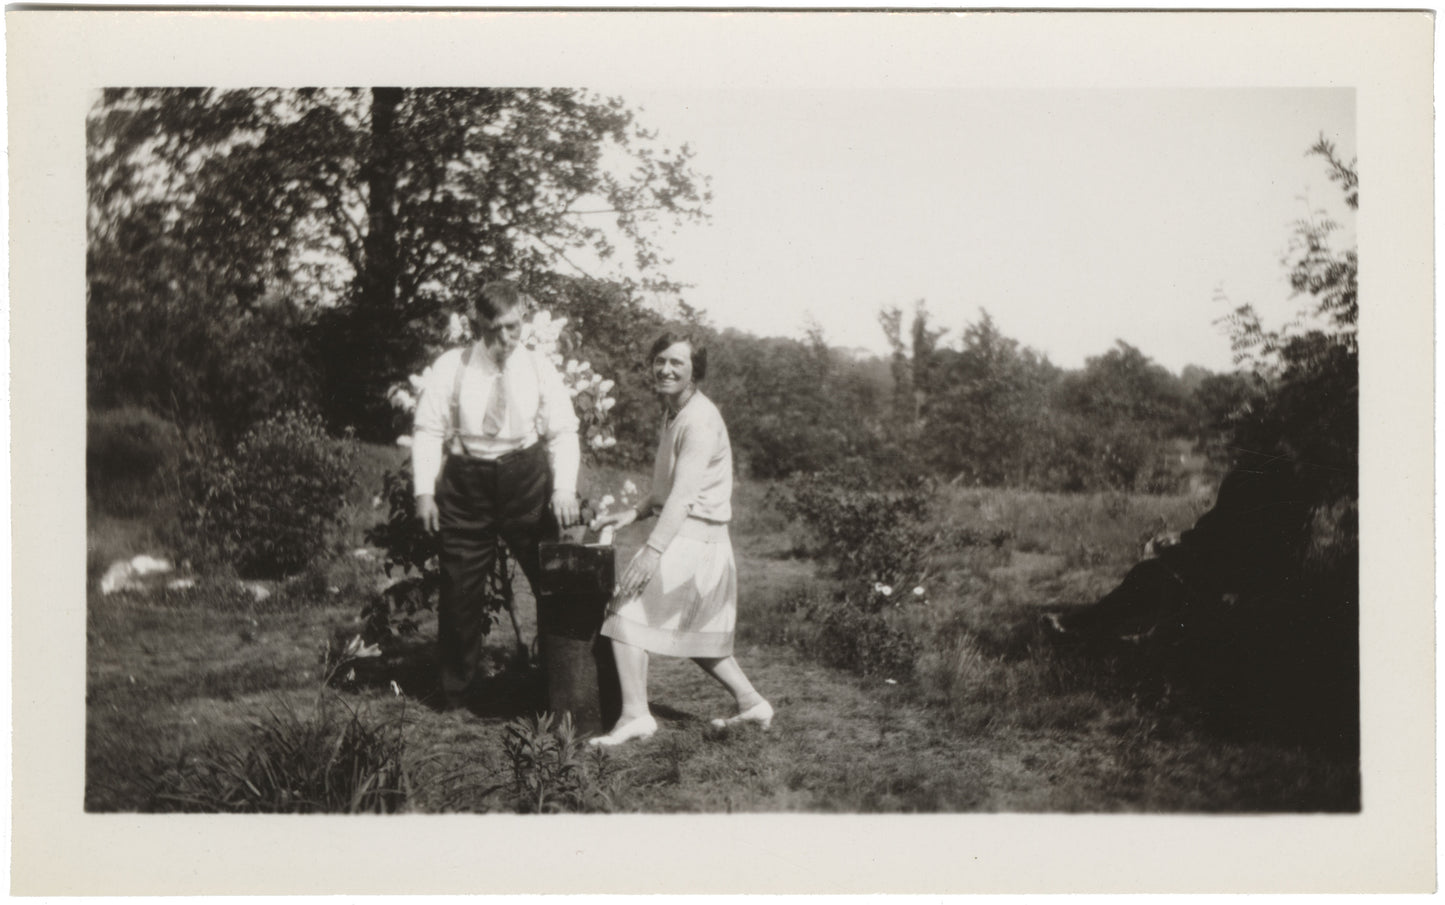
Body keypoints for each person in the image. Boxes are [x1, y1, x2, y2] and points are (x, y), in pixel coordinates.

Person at [587, 329, 772, 746]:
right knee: (697, 634)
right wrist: (634, 512)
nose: (666, 369)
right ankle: (752, 703)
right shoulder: (673, 412)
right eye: (661, 360)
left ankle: (635, 714)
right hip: (698, 539)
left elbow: (684, 498)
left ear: (695, 372)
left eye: (678, 363)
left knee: (624, 613)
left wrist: (651, 552)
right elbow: (667, 487)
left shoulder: (700, 420)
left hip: (696, 540)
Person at [412, 280, 581, 706]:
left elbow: (563, 430)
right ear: (478, 325)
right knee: (459, 589)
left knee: (553, 581)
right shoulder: (452, 366)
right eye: (496, 329)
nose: (506, 338)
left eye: (513, 327)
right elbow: (428, 430)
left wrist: (563, 489)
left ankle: (561, 686)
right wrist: (423, 494)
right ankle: (457, 694)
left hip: (525, 478)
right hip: (467, 481)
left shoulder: (539, 367)